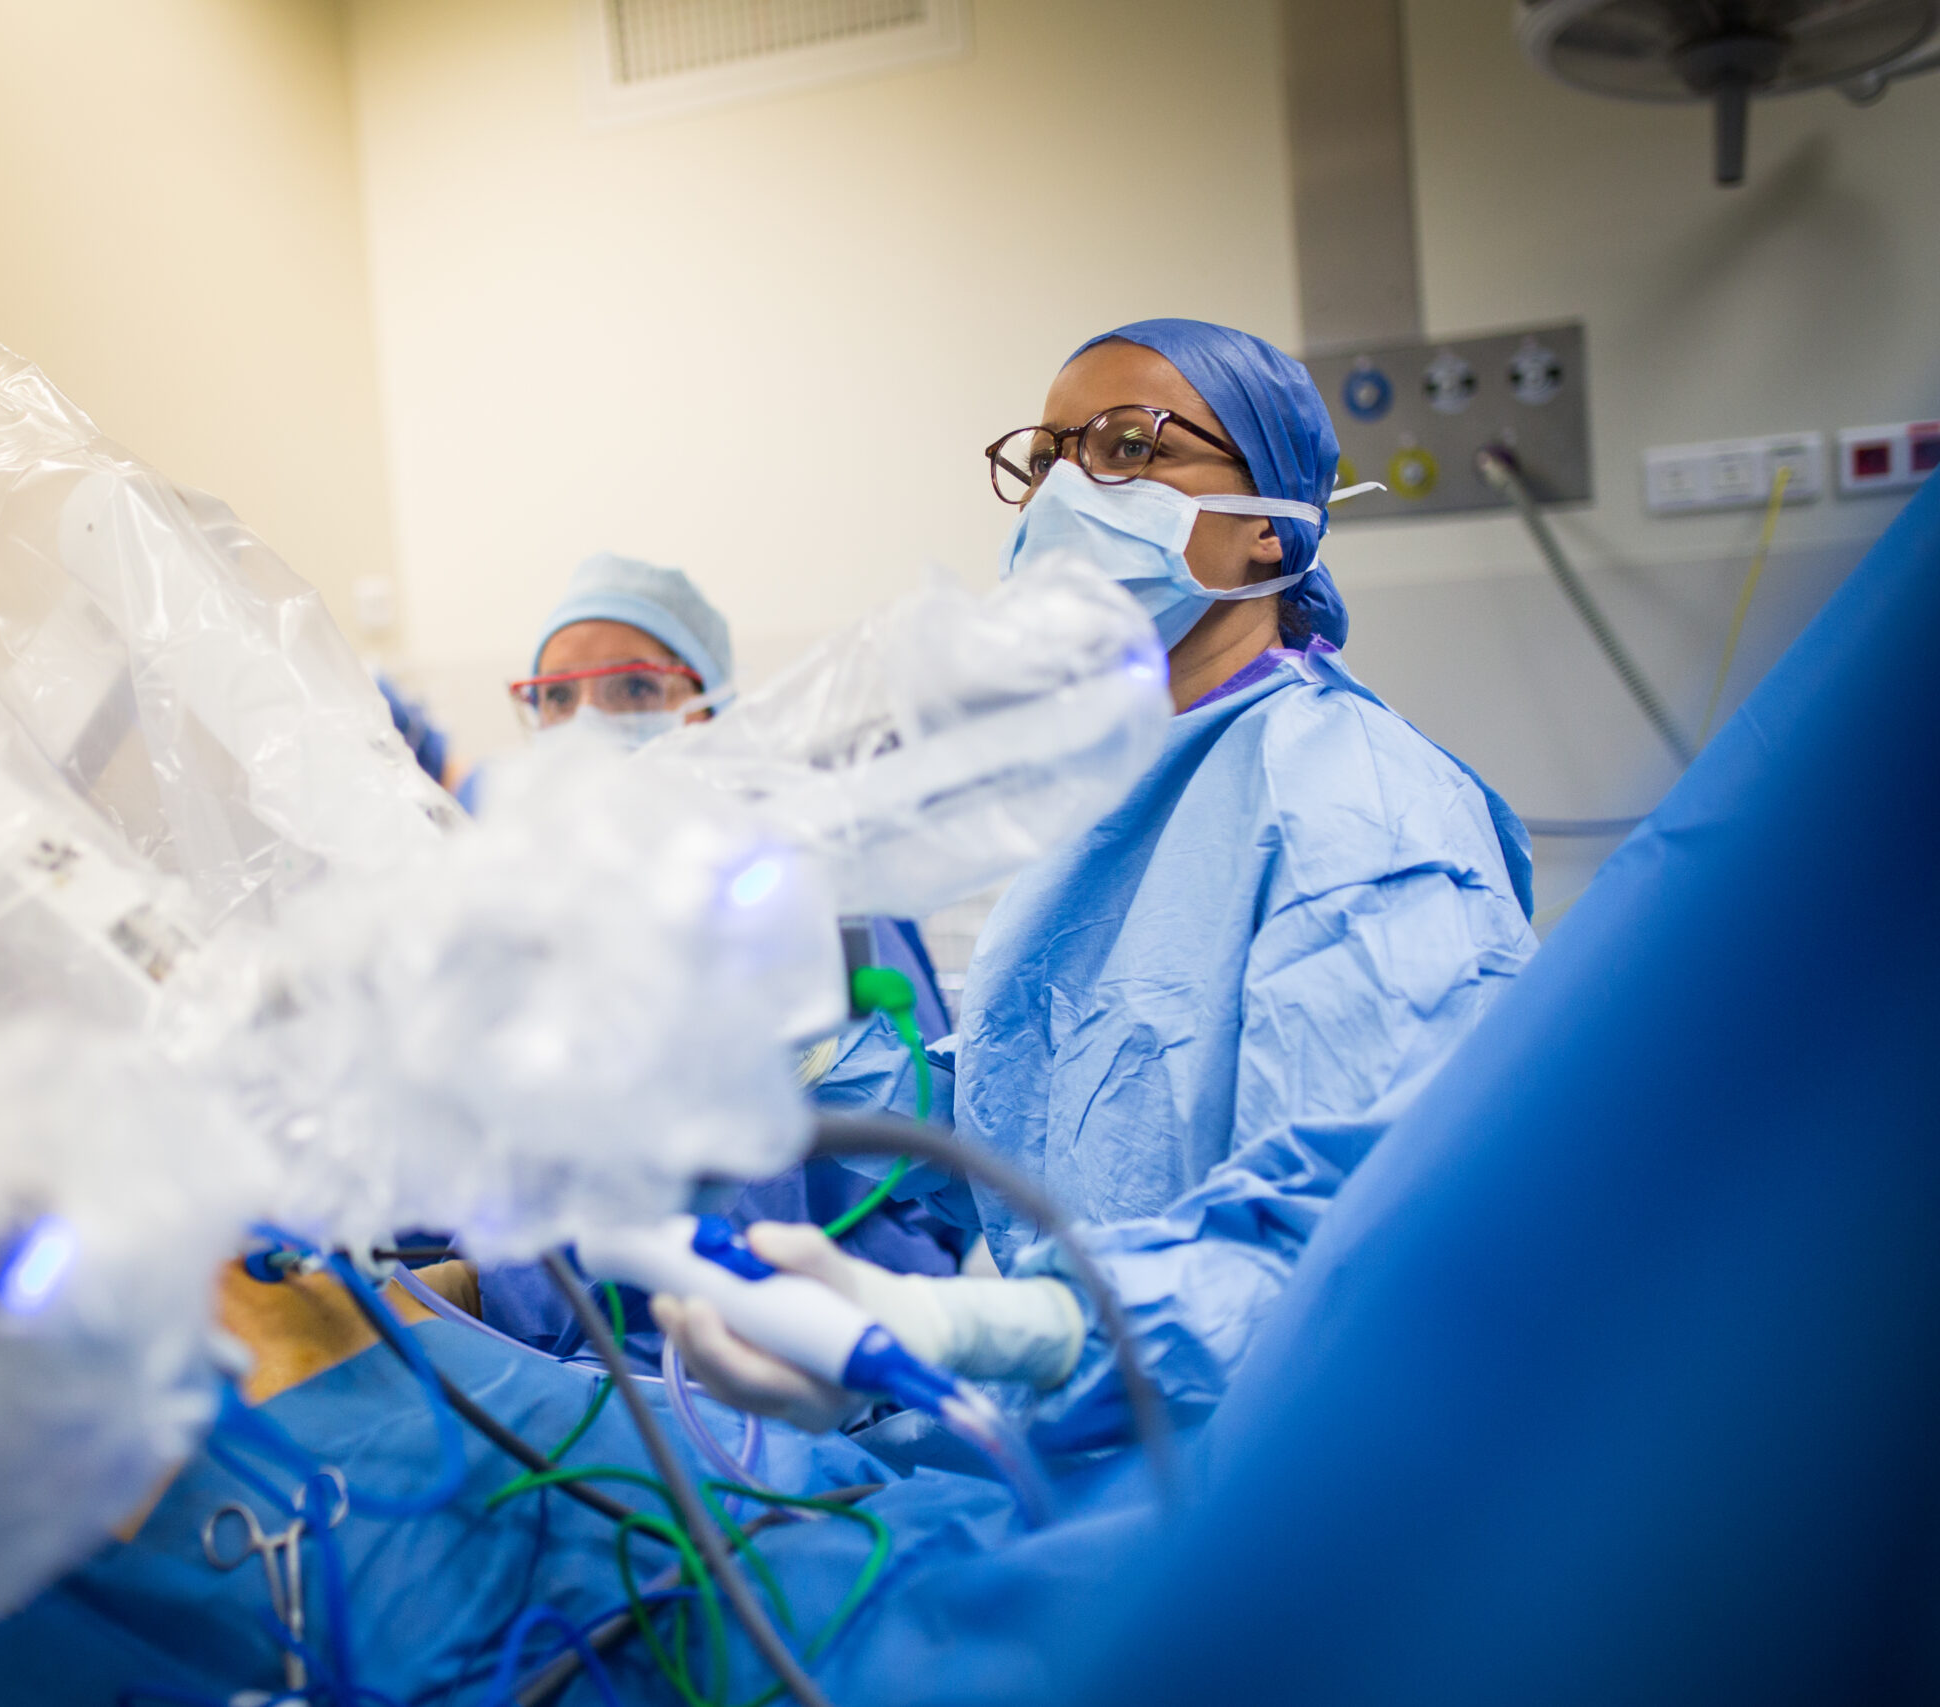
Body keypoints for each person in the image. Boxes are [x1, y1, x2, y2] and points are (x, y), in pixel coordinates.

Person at [662, 318, 1539, 1450]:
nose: (1067, 491)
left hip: (1246, 1481)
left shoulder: (1357, 806)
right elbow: (1020, 1086)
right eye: (1046, 459)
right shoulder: (1104, 790)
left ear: (1271, 530)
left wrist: (954, 1327)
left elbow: (1355, 1251)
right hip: (1079, 1430)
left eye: (1130, 446)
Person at [426, 551, 966, 1369]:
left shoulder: (809, 883)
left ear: (708, 708)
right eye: (556, 698)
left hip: (784, 1357)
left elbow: (921, 1163)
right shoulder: (517, 906)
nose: (586, 724)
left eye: (633, 688)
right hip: (549, 1354)